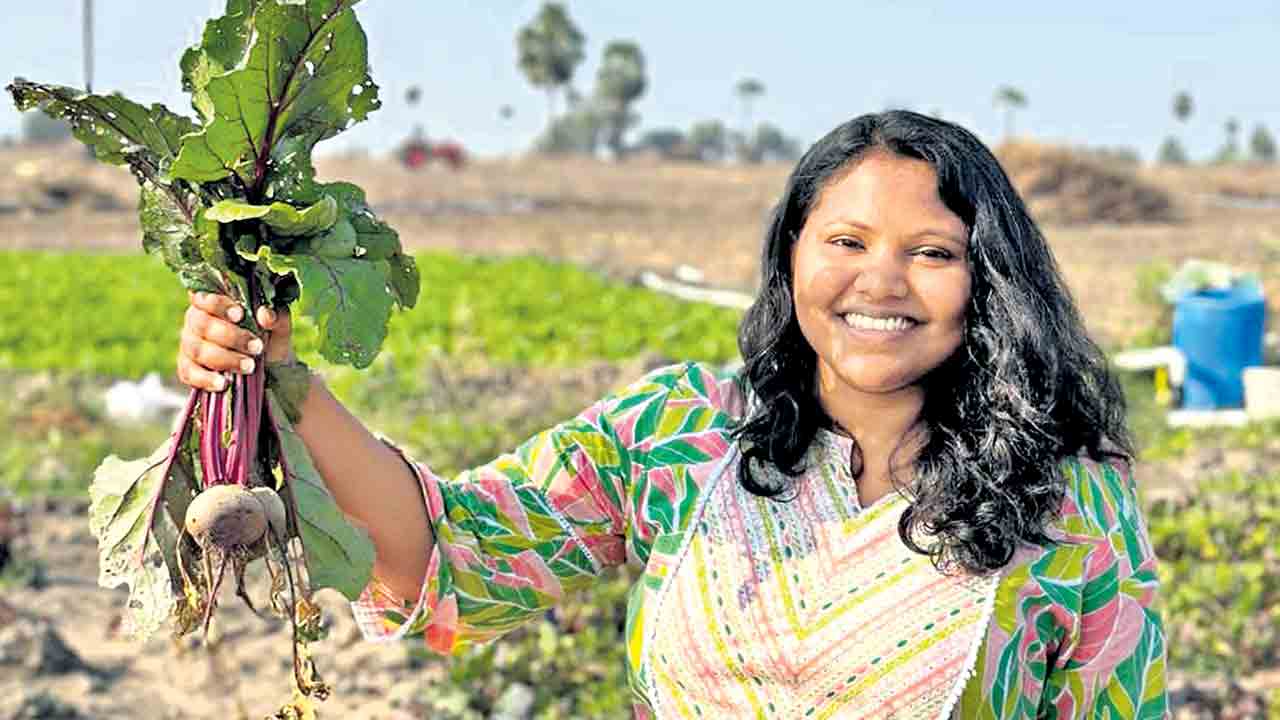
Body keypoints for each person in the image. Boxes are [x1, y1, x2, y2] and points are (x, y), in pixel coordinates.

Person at [176, 110, 1169, 719]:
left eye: (932, 252)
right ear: (790, 256)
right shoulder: (680, 430)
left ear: (985, 282)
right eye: (846, 240)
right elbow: (443, 557)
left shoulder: (1070, 502)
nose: (881, 282)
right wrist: (285, 381)